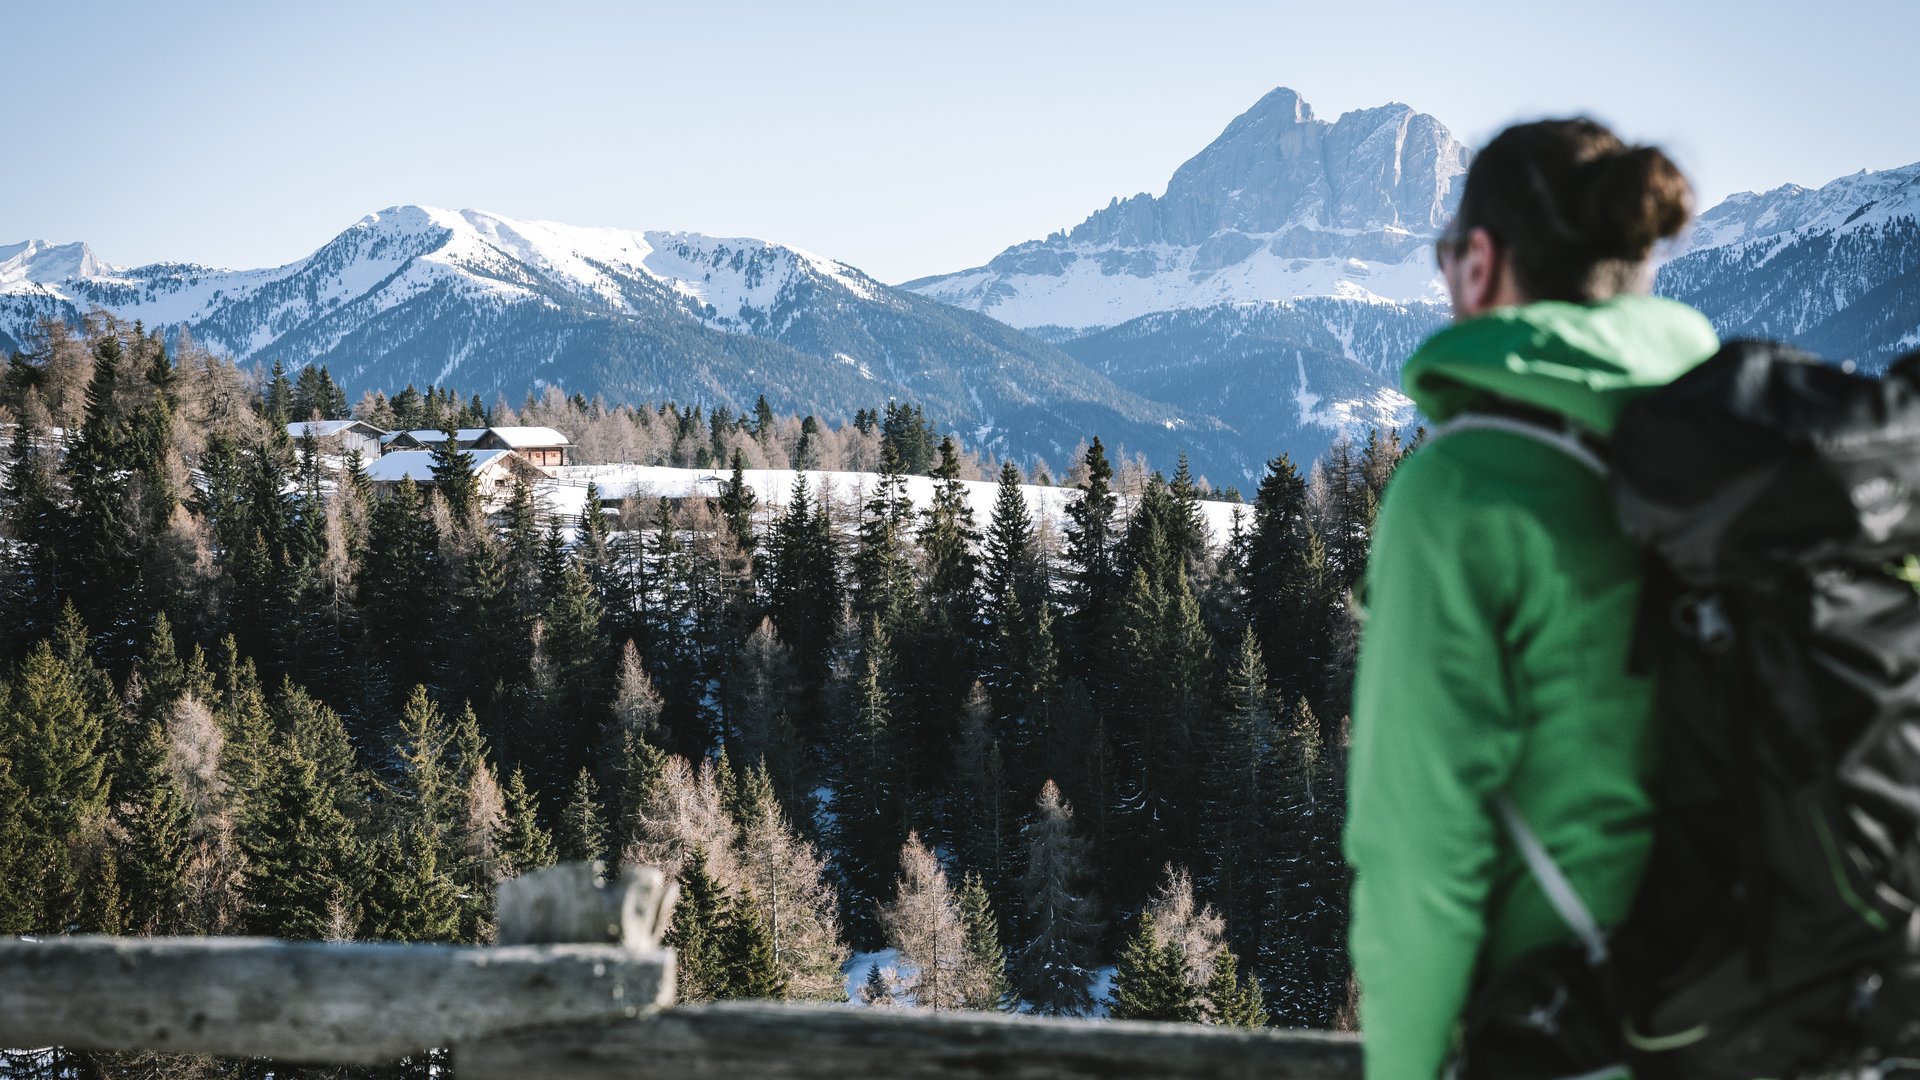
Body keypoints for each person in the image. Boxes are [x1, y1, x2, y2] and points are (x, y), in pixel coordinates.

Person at [1343, 118, 1720, 1079]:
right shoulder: (1746, 457)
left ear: (1478, 263)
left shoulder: (1469, 484)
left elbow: (1420, 846)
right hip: (1779, 1011)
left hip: (1578, 1028)